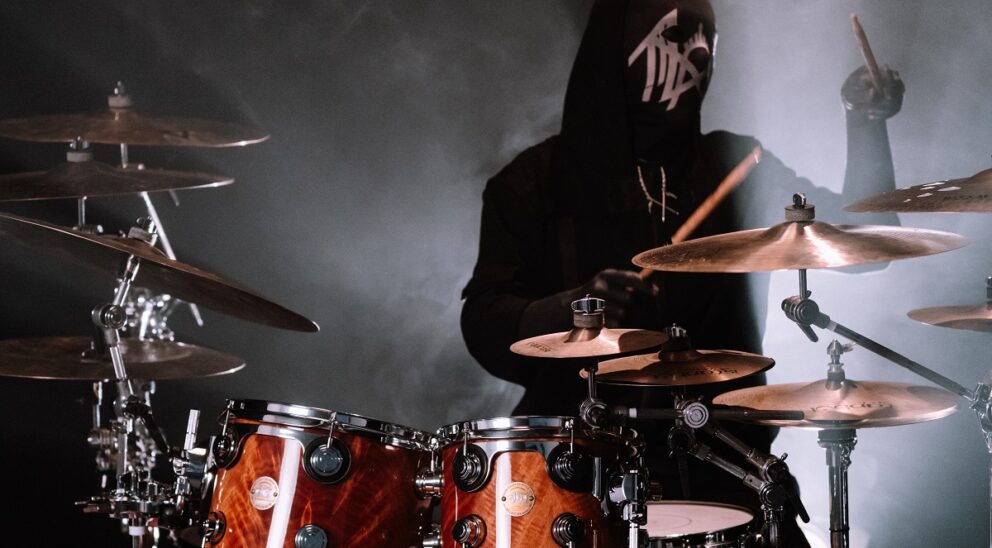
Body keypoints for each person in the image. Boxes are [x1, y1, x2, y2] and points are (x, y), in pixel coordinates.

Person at [461, 0, 903, 545]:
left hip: (727, 464)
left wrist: (866, 124)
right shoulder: (535, 183)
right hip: (582, 478)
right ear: (614, 53)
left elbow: (868, 246)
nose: (696, 54)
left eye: (706, 40)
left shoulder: (735, 165)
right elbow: (483, 319)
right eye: (675, 36)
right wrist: (574, 311)